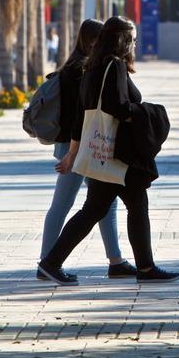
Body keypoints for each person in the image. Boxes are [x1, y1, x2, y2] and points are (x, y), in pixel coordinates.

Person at [38, 16, 179, 285]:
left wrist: (73, 153)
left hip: (105, 151)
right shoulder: (113, 66)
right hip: (117, 151)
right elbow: (117, 107)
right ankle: (52, 262)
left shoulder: (92, 66)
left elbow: (83, 116)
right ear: (123, 40)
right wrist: (148, 111)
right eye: (133, 39)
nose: (135, 45)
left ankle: (143, 267)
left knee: (125, 205)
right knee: (103, 209)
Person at [37, 19, 135, 281]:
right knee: (70, 203)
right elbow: (79, 115)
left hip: (77, 144)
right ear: (93, 40)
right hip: (80, 145)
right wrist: (72, 152)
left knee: (100, 202)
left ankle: (115, 259)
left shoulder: (76, 67)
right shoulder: (83, 70)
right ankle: (47, 262)